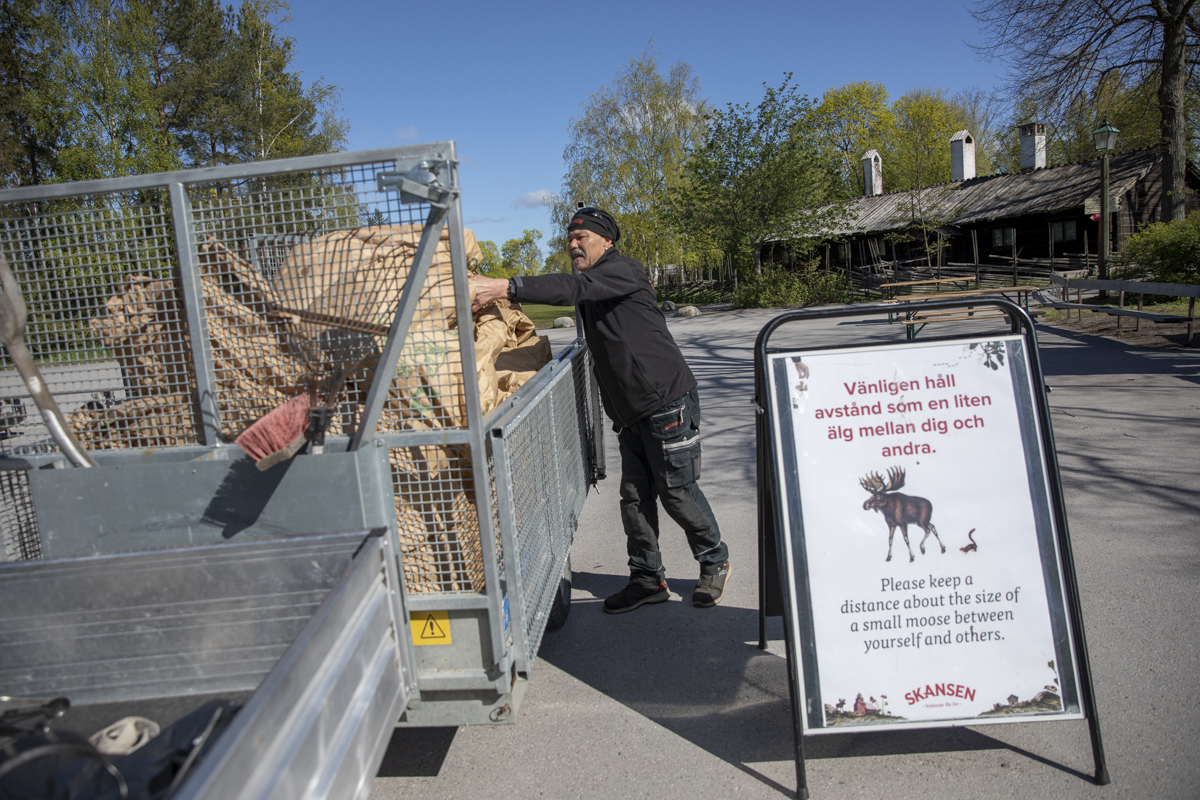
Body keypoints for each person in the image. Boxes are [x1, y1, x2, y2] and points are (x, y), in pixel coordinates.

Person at [472, 207, 730, 613]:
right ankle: (647, 578)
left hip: (665, 401)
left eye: (583, 238)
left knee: (676, 491)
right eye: (570, 239)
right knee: (634, 497)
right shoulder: (595, 281)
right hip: (629, 411)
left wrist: (506, 286)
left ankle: (715, 560)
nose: (574, 245)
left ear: (606, 241)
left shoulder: (620, 270)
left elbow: (571, 289)